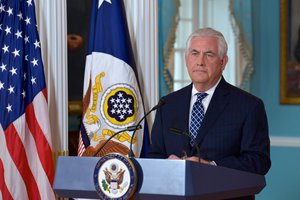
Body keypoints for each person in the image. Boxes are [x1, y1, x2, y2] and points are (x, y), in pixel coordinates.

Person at [147, 27, 271, 199]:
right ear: (186, 59)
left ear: (223, 62)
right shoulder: (167, 104)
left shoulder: (249, 106)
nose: (200, 62)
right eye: (194, 53)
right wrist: (169, 164)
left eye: (209, 54)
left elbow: (258, 161)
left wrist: (211, 165)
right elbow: (153, 155)